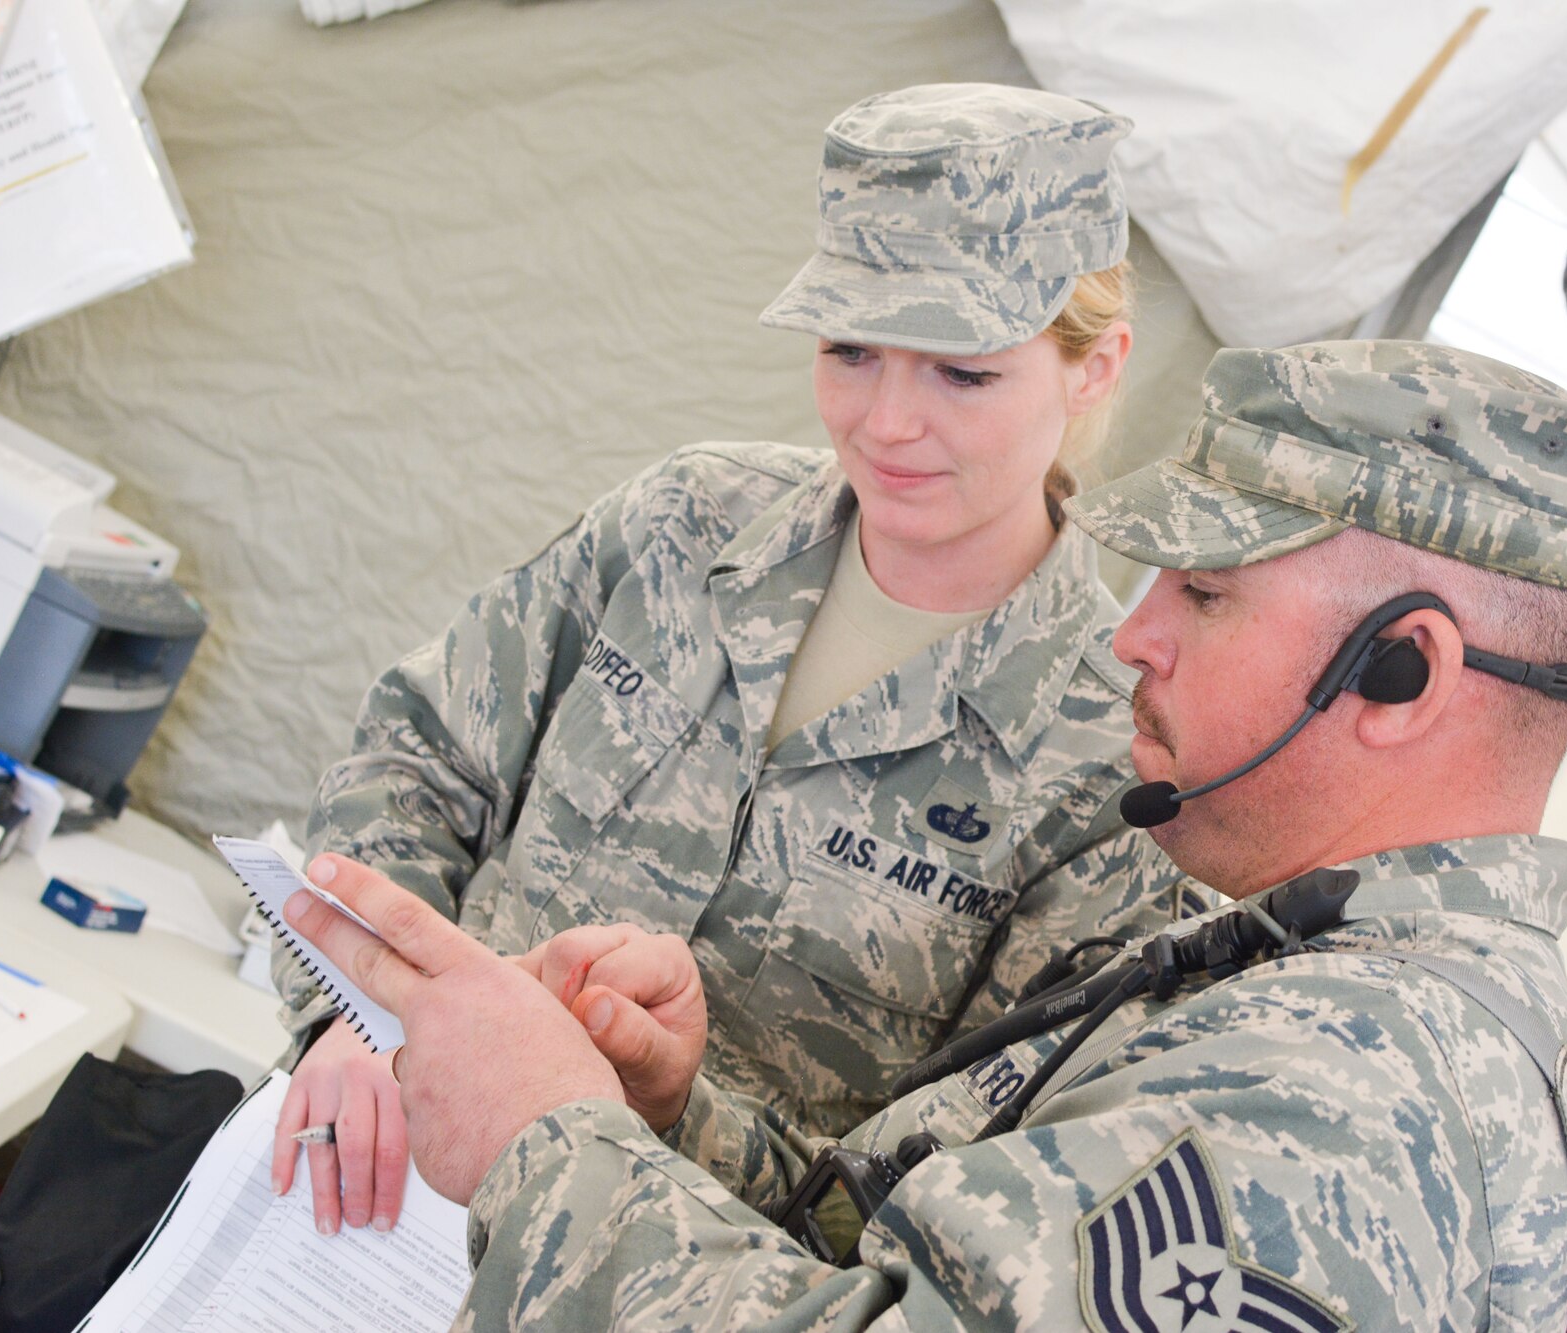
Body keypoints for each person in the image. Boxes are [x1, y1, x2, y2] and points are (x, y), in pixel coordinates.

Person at [288, 339, 1567, 1330]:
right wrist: (674, 1124)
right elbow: (922, 1273)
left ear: (1403, 672)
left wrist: (545, 1136)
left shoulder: (1340, 1102)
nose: (1132, 634)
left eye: (1201, 592)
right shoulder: (1307, 990)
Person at [272, 83, 1194, 1236]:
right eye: (850, 349)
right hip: (359, 1199)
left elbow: (941, 1214)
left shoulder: (1105, 768)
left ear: (1094, 368)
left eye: (962, 372)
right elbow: (420, 751)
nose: (886, 422)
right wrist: (355, 1021)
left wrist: (667, 1108)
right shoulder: (683, 525)